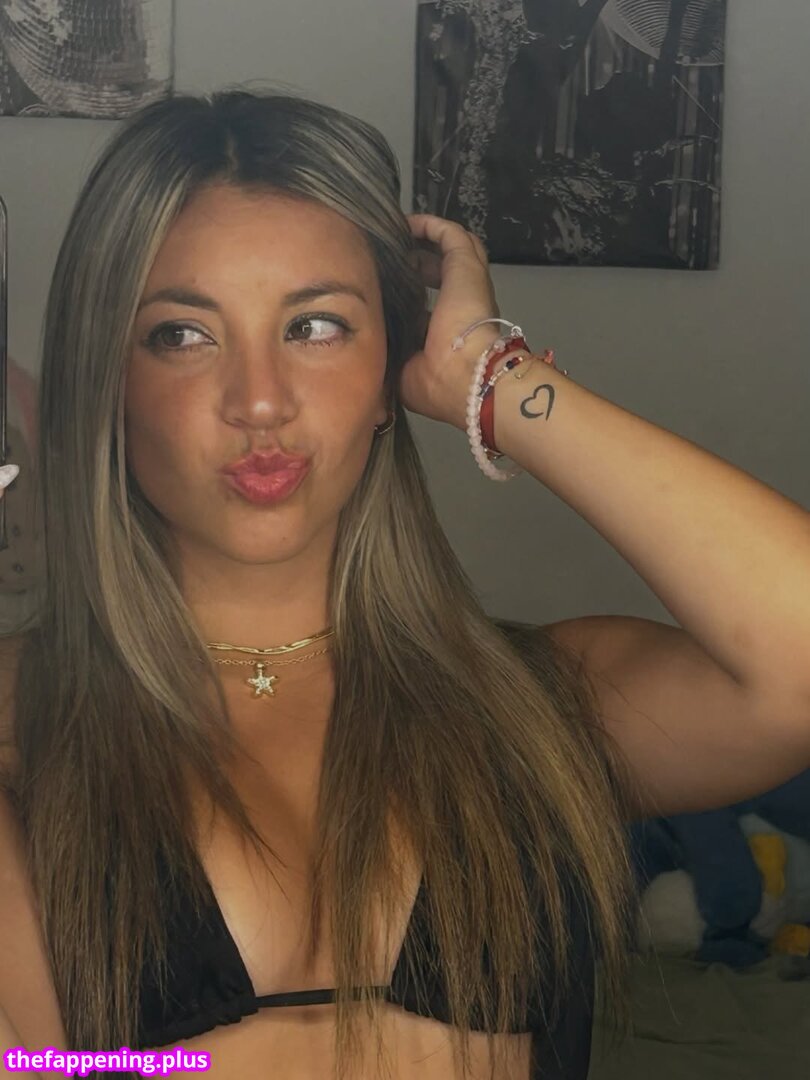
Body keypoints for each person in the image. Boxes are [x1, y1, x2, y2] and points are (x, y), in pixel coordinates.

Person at [0, 88, 808, 1080]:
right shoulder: (23, 720)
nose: (260, 401)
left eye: (316, 326)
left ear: (391, 369)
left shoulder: (533, 708)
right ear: (109, 382)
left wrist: (489, 377)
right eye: (184, 334)